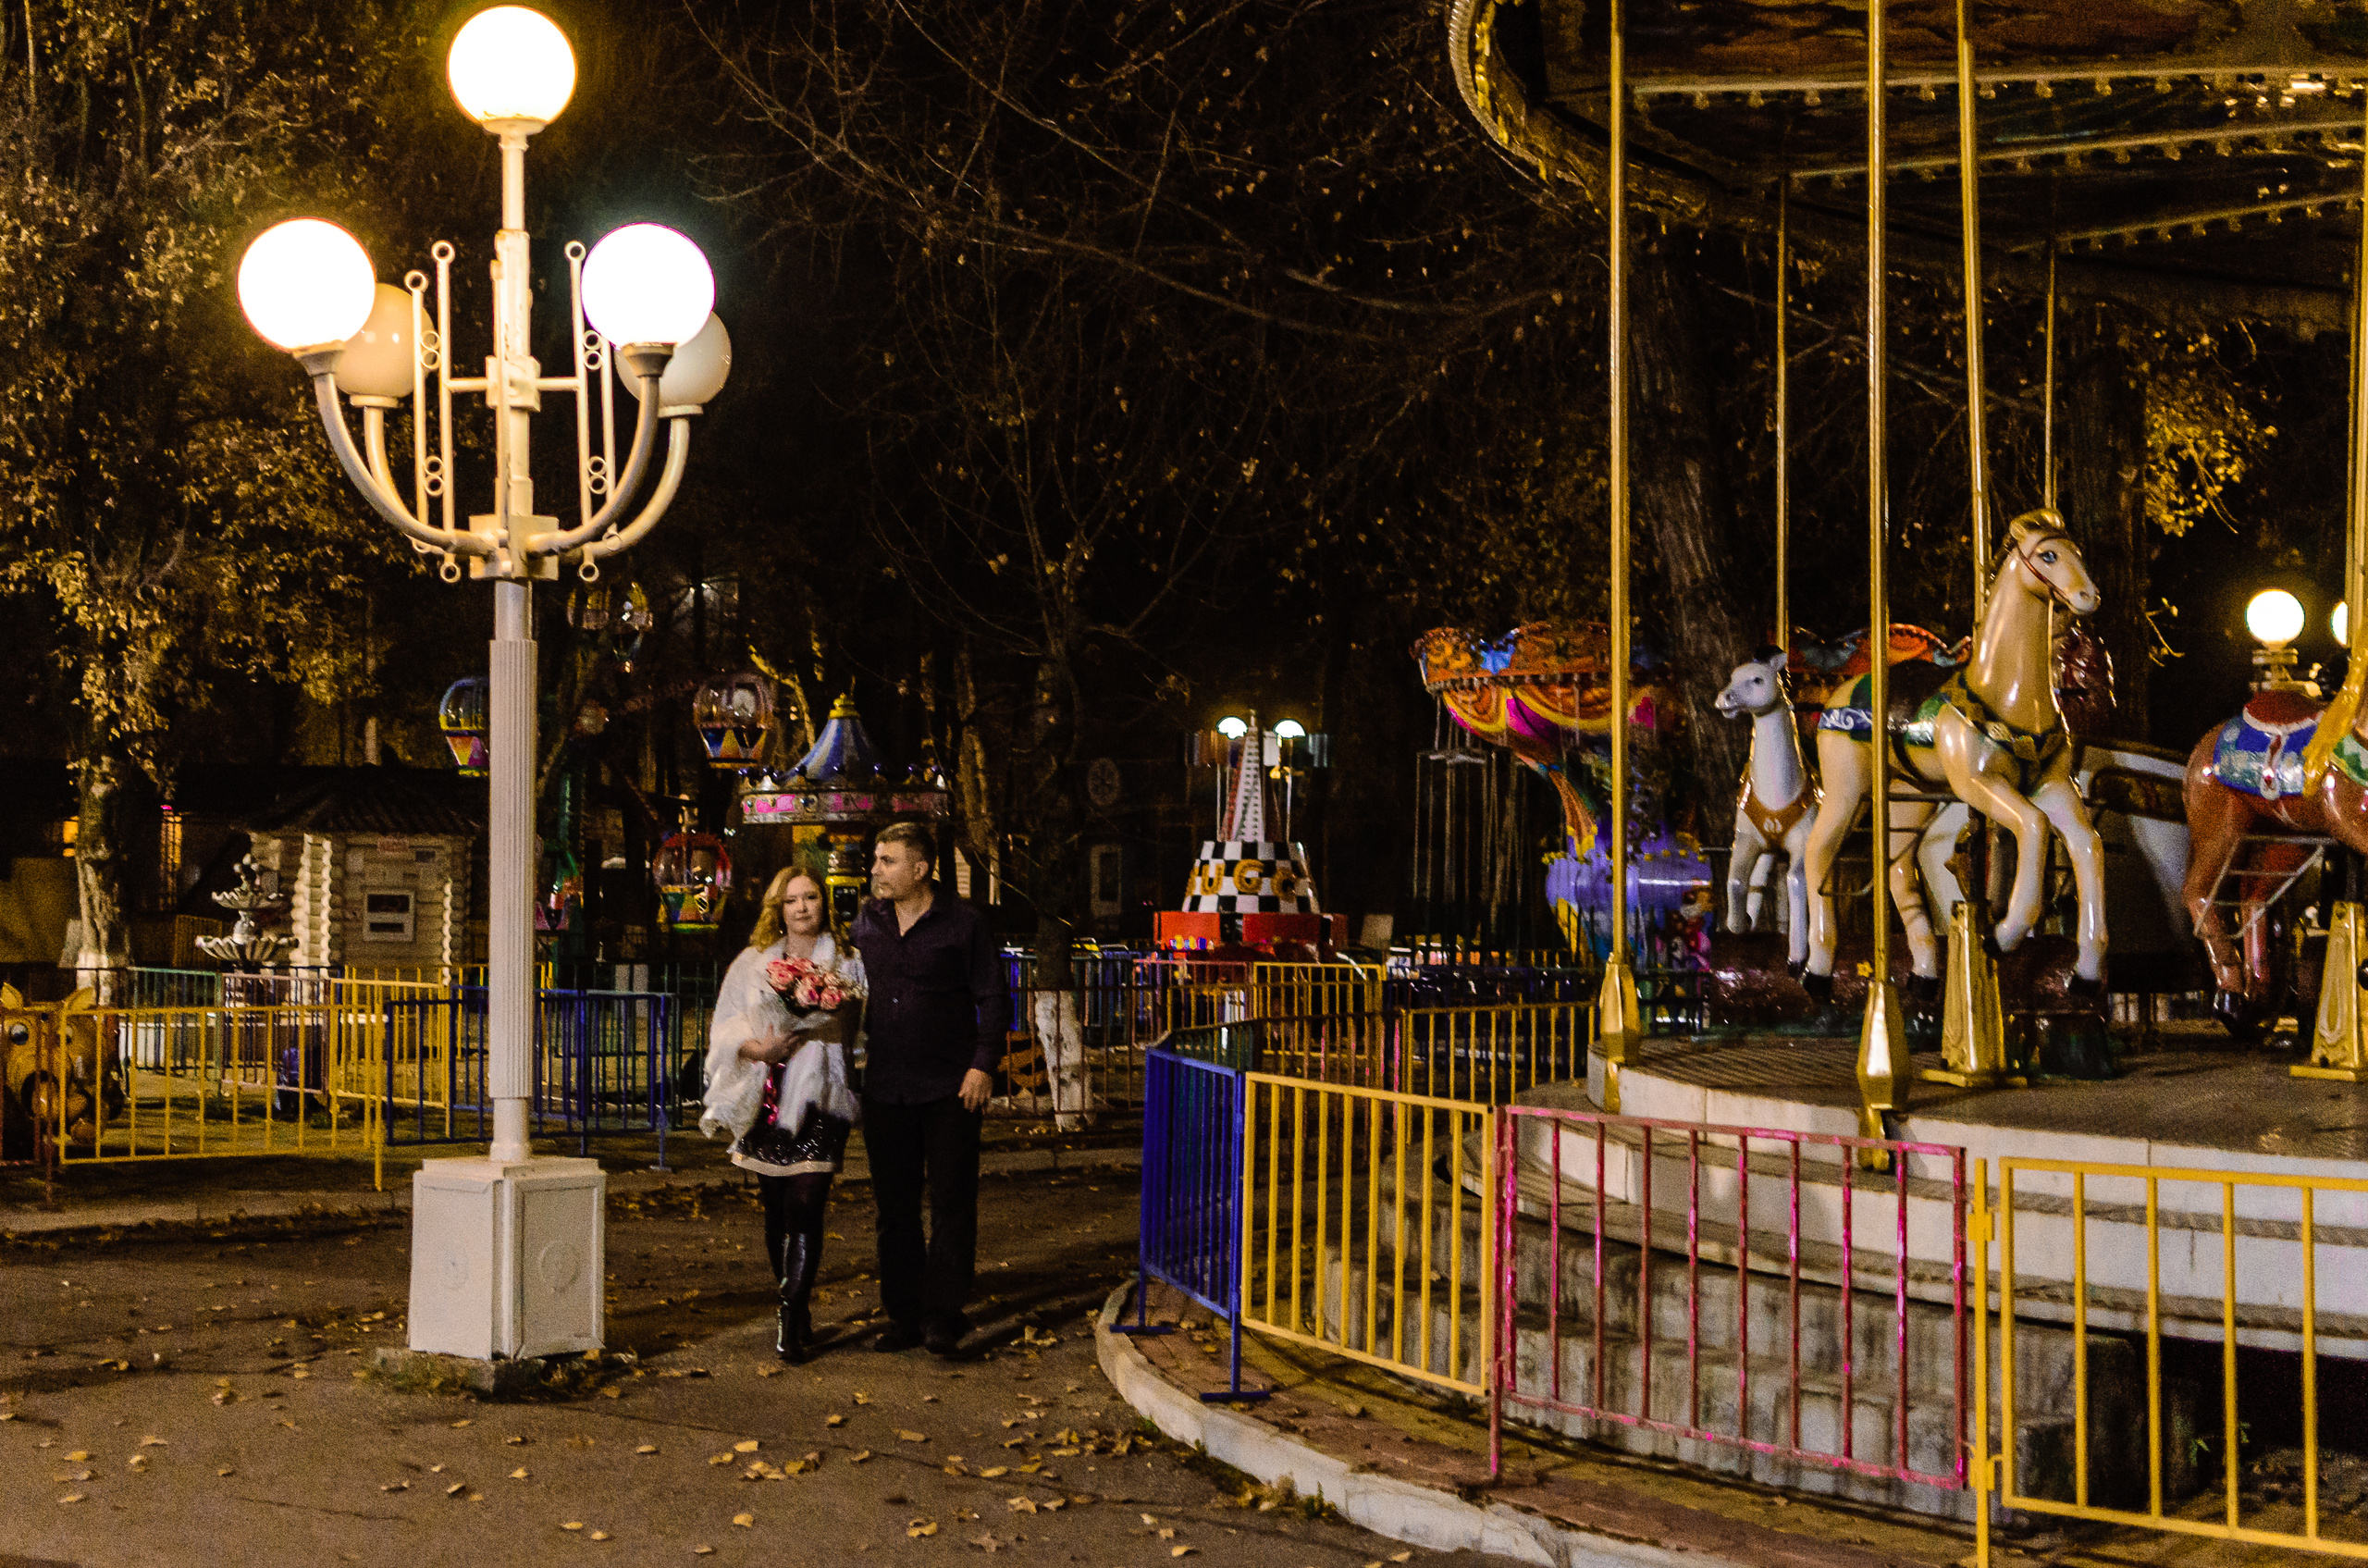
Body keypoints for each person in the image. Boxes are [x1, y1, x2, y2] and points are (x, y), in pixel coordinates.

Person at [850, 821, 1008, 1356]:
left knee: (952, 1203)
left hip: (950, 1087)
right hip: (886, 1087)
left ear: (920, 869)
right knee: (894, 1208)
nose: (876, 870)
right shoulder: (866, 923)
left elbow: (993, 995)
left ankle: (944, 1313)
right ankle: (903, 1314)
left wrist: (983, 1065)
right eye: (876, 859)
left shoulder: (964, 924)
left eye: (887, 861)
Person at [700, 867, 864, 1364]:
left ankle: (791, 1314)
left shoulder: (849, 961)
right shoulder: (752, 963)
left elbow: (859, 1027)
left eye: (811, 897)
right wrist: (759, 1047)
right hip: (767, 1093)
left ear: (824, 902)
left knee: (808, 1201)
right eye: (791, 900)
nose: (802, 907)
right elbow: (724, 1025)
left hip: (822, 1091)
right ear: (778, 908)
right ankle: (792, 1299)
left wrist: (825, 1021)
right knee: (777, 1208)